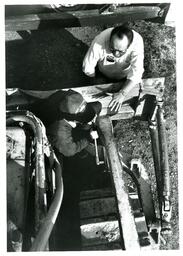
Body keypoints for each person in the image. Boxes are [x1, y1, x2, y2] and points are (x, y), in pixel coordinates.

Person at [82, 25, 144, 112]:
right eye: (112, 49)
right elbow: (87, 66)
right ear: (109, 40)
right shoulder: (100, 40)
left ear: (129, 46)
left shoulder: (137, 44)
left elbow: (137, 72)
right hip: (102, 73)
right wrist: (94, 79)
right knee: (96, 97)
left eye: (121, 51)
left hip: (124, 76)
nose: (116, 54)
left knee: (127, 95)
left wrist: (122, 93)